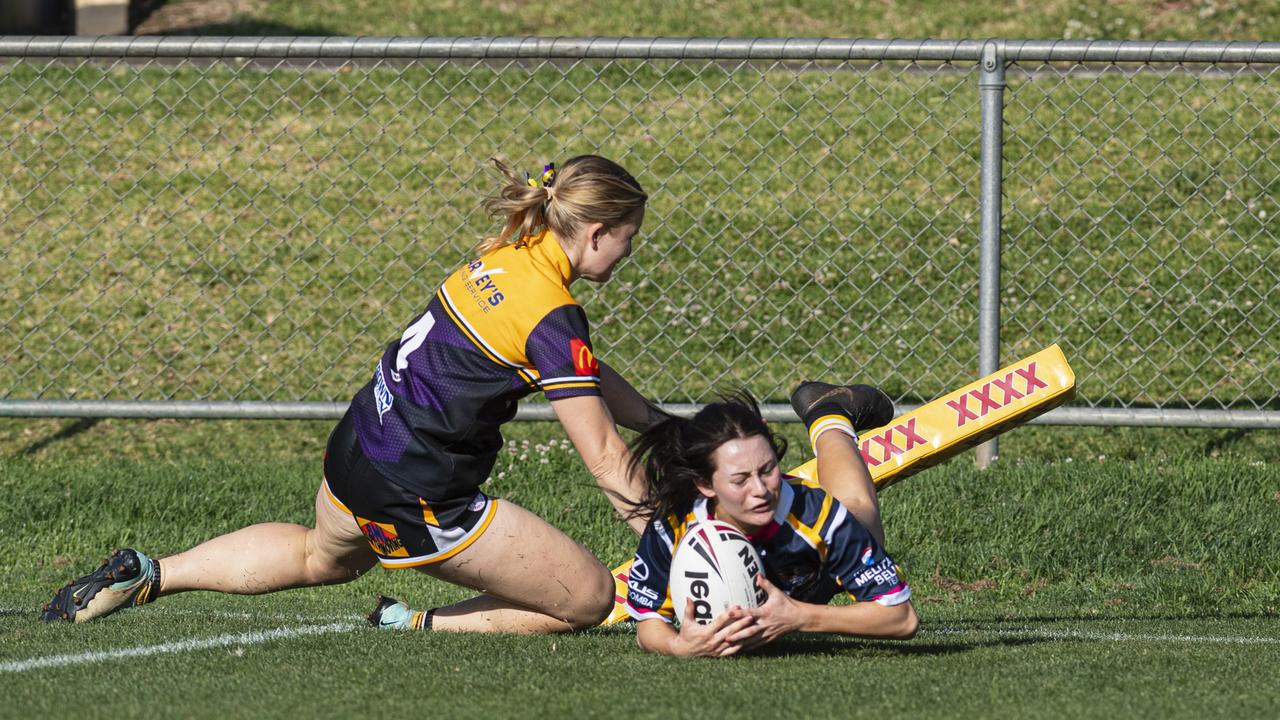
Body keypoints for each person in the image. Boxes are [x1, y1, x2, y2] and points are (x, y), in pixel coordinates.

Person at [43, 154, 667, 634]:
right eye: (628, 238)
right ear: (595, 232)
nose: (629, 252)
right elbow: (605, 458)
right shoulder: (553, 315)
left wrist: (656, 421)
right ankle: (412, 622)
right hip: (417, 493)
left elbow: (577, 370)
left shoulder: (510, 256)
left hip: (361, 445)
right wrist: (669, 545)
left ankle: (152, 573)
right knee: (593, 598)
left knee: (323, 558)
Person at [623, 387, 918, 656]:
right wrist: (679, 645)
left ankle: (829, 414)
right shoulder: (674, 522)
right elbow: (648, 622)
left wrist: (799, 616)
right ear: (704, 484)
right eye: (740, 480)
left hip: (819, 577)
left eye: (767, 469)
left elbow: (901, 618)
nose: (761, 491)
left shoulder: (817, 514)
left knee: (859, 513)